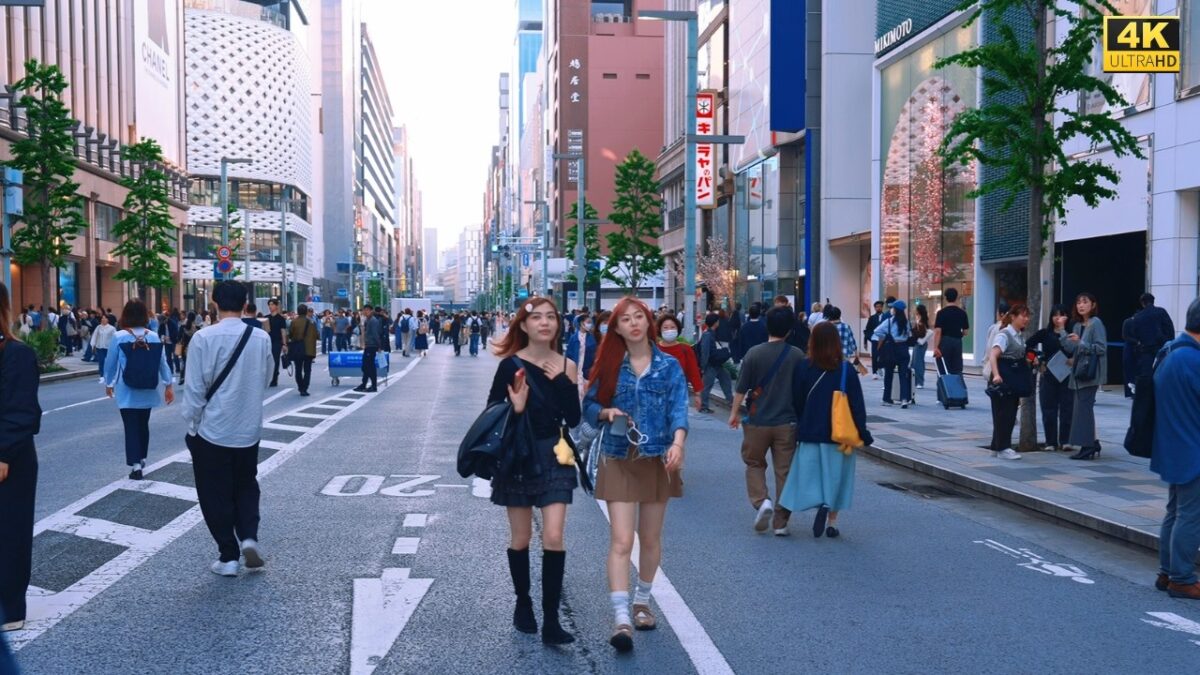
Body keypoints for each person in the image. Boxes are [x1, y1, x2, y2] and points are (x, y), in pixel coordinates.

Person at [583, 297, 688, 653]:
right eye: (625, 319)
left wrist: (678, 443)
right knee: (621, 540)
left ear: (649, 321)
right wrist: (604, 412)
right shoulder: (610, 365)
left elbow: (679, 408)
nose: (634, 323)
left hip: (658, 456)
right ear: (616, 328)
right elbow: (588, 405)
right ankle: (621, 617)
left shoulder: (669, 366)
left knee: (651, 537)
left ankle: (642, 602)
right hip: (618, 456)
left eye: (639, 317)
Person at [486, 298, 581, 645]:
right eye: (536, 317)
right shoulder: (510, 365)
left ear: (558, 324)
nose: (544, 322)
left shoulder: (567, 365)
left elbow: (573, 418)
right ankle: (523, 602)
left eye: (550, 317)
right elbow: (492, 414)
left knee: (554, 536)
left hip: (555, 453)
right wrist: (518, 407)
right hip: (519, 455)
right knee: (521, 538)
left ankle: (552, 619)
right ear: (523, 326)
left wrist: (562, 383)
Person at [180, 280, 273, 577]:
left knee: (213, 492)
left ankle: (228, 555)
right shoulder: (260, 338)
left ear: (214, 302)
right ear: (246, 303)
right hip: (248, 428)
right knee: (246, 484)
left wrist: (192, 425)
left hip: (212, 430)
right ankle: (248, 536)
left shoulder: (203, 338)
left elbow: (194, 389)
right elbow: (267, 375)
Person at [780, 322, 873, 539]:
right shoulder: (846, 370)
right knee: (837, 477)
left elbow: (797, 400)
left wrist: (803, 420)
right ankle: (832, 520)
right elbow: (856, 405)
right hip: (839, 436)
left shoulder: (803, 367)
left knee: (810, 475)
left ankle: (819, 500)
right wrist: (863, 432)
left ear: (812, 342)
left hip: (810, 431)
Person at [728, 306, 806, 536]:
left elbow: (741, 389)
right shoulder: (797, 355)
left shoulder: (754, 353)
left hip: (757, 420)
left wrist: (733, 413)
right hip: (787, 422)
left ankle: (762, 502)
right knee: (785, 471)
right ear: (790, 330)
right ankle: (781, 522)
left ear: (766, 326)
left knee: (754, 463)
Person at [1150, 297, 1200, 600]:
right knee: (1191, 515)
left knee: (1175, 511)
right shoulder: (1194, 360)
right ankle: (1182, 578)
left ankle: (1167, 571)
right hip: (1193, 448)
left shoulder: (1169, 350)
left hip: (1172, 443)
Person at [0, 282, 41, 633]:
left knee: (10, 530)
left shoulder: (16, 354)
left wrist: (2, 454)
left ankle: (10, 609)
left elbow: (20, 412)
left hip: (8, 457)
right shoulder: (17, 354)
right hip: (10, 452)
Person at [103, 300, 176, 480]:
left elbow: (110, 362)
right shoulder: (152, 336)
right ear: (145, 315)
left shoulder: (119, 336)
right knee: (143, 423)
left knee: (131, 426)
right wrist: (168, 384)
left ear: (126, 315)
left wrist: (108, 383)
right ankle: (142, 457)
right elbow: (162, 362)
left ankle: (136, 465)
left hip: (126, 388)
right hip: (148, 387)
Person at [1059, 292, 1107, 460]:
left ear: (1093, 305)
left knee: (1084, 410)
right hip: (1079, 375)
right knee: (1081, 410)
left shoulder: (1096, 324)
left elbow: (1101, 348)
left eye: (1085, 302)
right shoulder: (1078, 325)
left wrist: (1081, 343)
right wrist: (1062, 331)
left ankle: (1088, 446)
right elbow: (1070, 348)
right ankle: (1091, 443)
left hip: (1090, 374)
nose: (1081, 305)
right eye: (1078, 302)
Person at [986, 305, 1032, 461]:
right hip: (1003, 377)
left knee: (1008, 412)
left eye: (1027, 316)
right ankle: (1003, 448)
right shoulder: (1004, 335)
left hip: (1012, 377)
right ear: (1013, 317)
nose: (1026, 319)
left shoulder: (1019, 335)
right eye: (1023, 316)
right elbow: (993, 355)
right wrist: (997, 375)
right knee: (1004, 414)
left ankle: (996, 446)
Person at [1026, 305, 1074, 451]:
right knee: (1048, 409)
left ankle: (1066, 441)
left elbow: (1076, 350)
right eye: (1055, 315)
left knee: (1067, 409)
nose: (1058, 318)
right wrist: (1036, 360)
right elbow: (1027, 346)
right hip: (1048, 375)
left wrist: (1074, 358)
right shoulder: (1045, 333)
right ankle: (1050, 442)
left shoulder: (1071, 334)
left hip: (1066, 375)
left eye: (1061, 315)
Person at [655, 315, 702, 410]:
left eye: (672, 327)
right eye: (665, 327)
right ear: (660, 330)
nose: (669, 330)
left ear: (678, 329)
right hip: (655, 396)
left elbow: (693, 371)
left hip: (679, 395)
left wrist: (697, 394)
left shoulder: (685, 349)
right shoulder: (653, 349)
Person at [872, 300, 913, 408]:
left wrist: (886, 335)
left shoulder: (889, 321)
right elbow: (909, 334)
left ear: (895, 310)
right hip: (903, 349)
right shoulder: (906, 322)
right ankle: (904, 399)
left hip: (891, 349)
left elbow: (876, 331)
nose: (891, 310)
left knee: (888, 375)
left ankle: (887, 399)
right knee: (903, 375)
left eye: (892, 308)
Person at [1129, 292, 1177, 382]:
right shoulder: (1161, 312)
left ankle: (1148, 394)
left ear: (1142, 303)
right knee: (1163, 373)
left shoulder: (1138, 317)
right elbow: (1170, 328)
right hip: (1162, 348)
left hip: (1146, 350)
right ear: (1153, 301)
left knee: (1147, 376)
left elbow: (1135, 333)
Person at [698, 313, 733, 414]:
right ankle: (703, 407)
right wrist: (703, 366)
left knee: (725, 376)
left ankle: (730, 400)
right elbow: (705, 352)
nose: (719, 322)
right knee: (706, 386)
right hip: (710, 364)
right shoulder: (707, 335)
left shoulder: (711, 333)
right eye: (717, 321)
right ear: (715, 322)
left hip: (715, 363)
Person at [931, 288, 970, 375]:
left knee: (943, 368)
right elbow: (966, 332)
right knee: (957, 369)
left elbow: (938, 331)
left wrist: (936, 347)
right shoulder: (962, 313)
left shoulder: (941, 313)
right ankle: (956, 387)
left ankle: (944, 387)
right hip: (957, 342)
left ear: (945, 298)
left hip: (945, 341)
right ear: (956, 298)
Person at [287, 303, 318, 396]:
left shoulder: (294, 322)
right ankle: (305, 387)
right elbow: (316, 335)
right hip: (309, 349)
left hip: (298, 349)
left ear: (298, 311)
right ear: (306, 311)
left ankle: (300, 387)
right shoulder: (312, 322)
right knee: (307, 370)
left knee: (298, 369)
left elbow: (291, 334)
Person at [355, 305, 382, 392]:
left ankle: (373, 385)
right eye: (364, 310)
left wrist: (379, 345)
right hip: (369, 345)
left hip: (372, 345)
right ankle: (364, 384)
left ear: (371, 311)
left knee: (368, 366)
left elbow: (375, 334)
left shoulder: (373, 321)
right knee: (366, 366)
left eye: (367, 310)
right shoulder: (368, 320)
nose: (365, 312)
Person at [565, 313, 598, 385]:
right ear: (582, 323)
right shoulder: (573, 338)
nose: (590, 325)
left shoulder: (592, 338)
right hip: (574, 372)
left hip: (587, 373)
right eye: (588, 322)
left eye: (591, 323)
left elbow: (595, 357)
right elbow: (568, 356)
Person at [980, 302, 1009, 383]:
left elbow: (989, 348)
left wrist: (985, 362)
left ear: (1002, 314)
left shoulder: (995, 328)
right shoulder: (1010, 329)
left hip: (994, 368)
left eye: (997, 312)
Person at [265, 299, 287, 387]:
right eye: (269, 305)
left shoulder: (281, 319)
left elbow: (283, 331)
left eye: (272, 304)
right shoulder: (266, 318)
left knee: (275, 360)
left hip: (277, 342)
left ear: (276, 306)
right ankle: (268, 377)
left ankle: (274, 379)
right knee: (266, 360)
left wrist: (284, 344)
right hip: (267, 341)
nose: (270, 307)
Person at [90, 313, 117, 383]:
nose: (103, 319)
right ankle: (102, 376)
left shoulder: (112, 328)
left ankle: (110, 376)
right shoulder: (98, 327)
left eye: (105, 318)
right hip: (100, 347)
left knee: (109, 362)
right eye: (102, 318)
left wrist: (115, 346)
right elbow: (94, 336)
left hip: (108, 348)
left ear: (108, 320)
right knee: (101, 361)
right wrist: (93, 345)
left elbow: (115, 338)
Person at [864, 301, 886, 379]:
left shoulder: (886, 317)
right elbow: (867, 330)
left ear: (882, 307)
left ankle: (880, 366)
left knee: (883, 355)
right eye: (876, 307)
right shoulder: (872, 318)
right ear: (875, 308)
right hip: (874, 339)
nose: (878, 308)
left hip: (884, 339)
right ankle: (874, 372)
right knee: (874, 355)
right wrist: (865, 342)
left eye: (879, 306)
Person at [911, 303, 930, 389]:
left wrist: (913, 331)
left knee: (918, 363)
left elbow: (921, 333)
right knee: (916, 362)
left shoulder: (922, 321)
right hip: (919, 343)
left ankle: (919, 381)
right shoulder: (922, 320)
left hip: (920, 343)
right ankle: (916, 381)